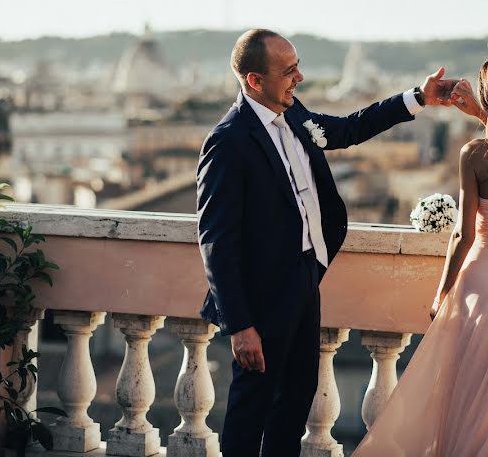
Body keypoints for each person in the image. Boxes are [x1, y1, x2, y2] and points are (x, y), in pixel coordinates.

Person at [196, 29, 458, 456]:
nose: (299, 76)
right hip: (261, 299)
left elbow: (347, 129)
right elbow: (216, 241)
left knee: (296, 400)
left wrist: (418, 97)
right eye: (288, 70)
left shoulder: (293, 113)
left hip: (304, 278)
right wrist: (240, 326)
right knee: (251, 408)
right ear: (254, 81)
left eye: (297, 65)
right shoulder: (228, 141)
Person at [352, 51, 488, 456]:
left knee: (475, 397)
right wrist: (482, 116)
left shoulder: (473, 155)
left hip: (482, 288)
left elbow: (463, 236)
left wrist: (441, 294)